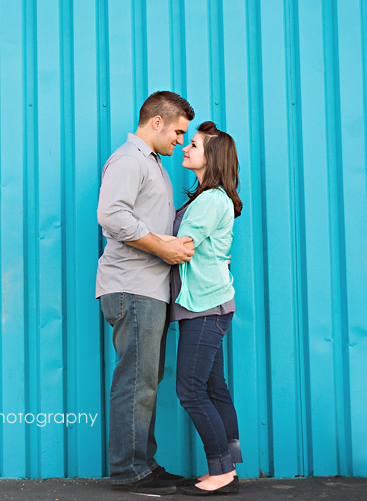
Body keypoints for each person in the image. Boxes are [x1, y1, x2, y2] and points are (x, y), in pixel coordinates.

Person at [97, 91, 196, 495]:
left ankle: (142, 463)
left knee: (145, 381)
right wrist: (164, 246)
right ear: (156, 122)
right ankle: (128, 471)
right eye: (177, 131)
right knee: (136, 382)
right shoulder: (129, 160)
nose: (179, 140)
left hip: (148, 290)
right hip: (132, 288)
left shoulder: (153, 164)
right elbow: (111, 215)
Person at [167, 121, 243, 496]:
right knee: (214, 388)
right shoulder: (207, 198)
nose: (185, 148)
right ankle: (228, 466)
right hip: (211, 305)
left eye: (193, 144)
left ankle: (222, 473)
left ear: (210, 158)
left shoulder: (211, 199)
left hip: (204, 308)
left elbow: (181, 246)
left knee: (191, 390)